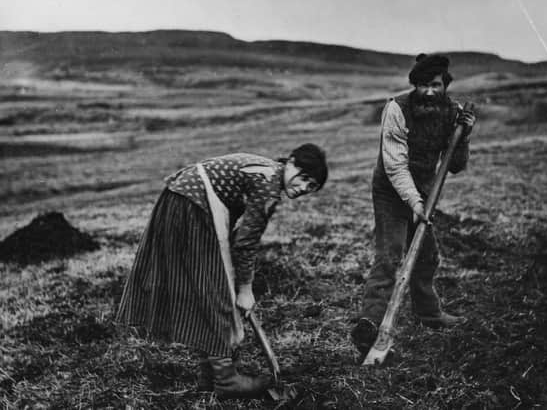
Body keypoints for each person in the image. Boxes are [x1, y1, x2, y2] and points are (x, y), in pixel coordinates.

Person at [117, 144, 328, 399]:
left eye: (312, 186)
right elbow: (246, 244)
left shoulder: (268, 173)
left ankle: (210, 375)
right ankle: (226, 380)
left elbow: (238, 238)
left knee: (210, 285)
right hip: (192, 207)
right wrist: (245, 290)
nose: (304, 187)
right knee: (216, 288)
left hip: (183, 202)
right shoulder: (268, 184)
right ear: (291, 161)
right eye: (303, 177)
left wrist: (237, 274)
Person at [351, 54, 477, 357]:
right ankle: (371, 323)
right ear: (414, 85)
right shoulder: (396, 109)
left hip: (424, 192)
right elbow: (395, 167)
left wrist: (464, 136)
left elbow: (456, 166)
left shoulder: (452, 112)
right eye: (423, 85)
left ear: (444, 85)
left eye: (435, 85)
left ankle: (428, 314)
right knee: (390, 255)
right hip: (390, 192)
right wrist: (415, 203)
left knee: (427, 256)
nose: (429, 91)